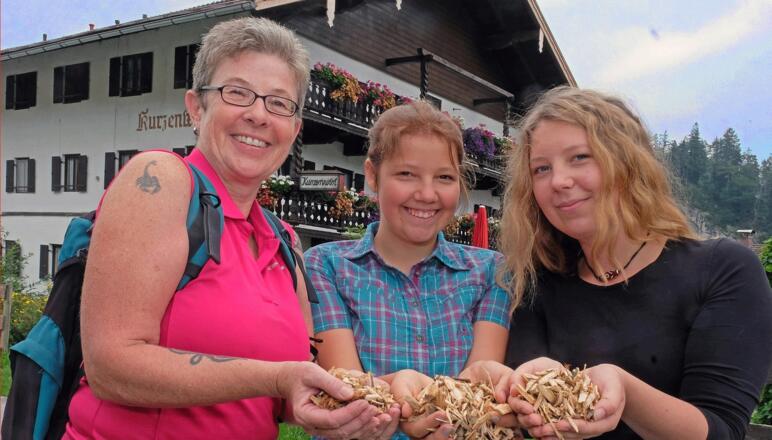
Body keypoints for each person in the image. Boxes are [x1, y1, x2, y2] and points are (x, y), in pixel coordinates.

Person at [64, 17, 391, 439]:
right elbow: (111, 365)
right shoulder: (161, 180)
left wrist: (369, 406)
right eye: (237, 93)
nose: (258, 115)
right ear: (197, 107)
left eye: (279, 103)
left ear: (294, 129)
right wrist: (275, 378)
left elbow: (284, 398)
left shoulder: (284, 242)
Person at [493, 86, 772, 439]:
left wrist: (624, 390)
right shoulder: (537, 282)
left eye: (579, 157)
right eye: (541, 168)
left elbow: (722, 430)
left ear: (627, 163)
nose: (559, 182)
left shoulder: (723, 269)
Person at [305, 100, 513, 438]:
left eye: (444, 177)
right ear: (372, 175)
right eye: (406, 174)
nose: (427, 194)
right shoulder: (325, 265)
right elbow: (345, 388)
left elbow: (479, 381)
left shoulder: (491, 271)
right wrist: (403, 398)